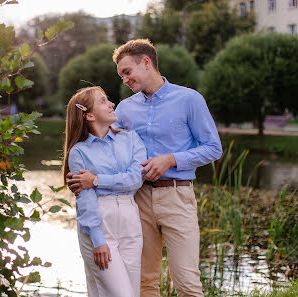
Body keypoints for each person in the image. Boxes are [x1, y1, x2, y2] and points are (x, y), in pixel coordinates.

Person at [68, 39, 222, 297]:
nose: (125, 80)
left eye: (127, 72)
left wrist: (171, 159)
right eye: (121, 75)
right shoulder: (126, 109)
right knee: (144, 282)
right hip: (136, 201)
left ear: (147, 62)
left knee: (186, 281)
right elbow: (107, 146)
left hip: (177, 196)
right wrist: (91, 177)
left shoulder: (189, 99)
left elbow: (213, 148)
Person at [63, 86, 147, 297]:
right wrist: (98, 240)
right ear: (89, 115)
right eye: (103, 101)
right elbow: (86, 198)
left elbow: (135, 179)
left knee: (131, 293)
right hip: (99, 225)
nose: (111, 104)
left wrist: (96, 180)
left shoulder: (131, 139)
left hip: (130, 220)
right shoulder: (78, 152)